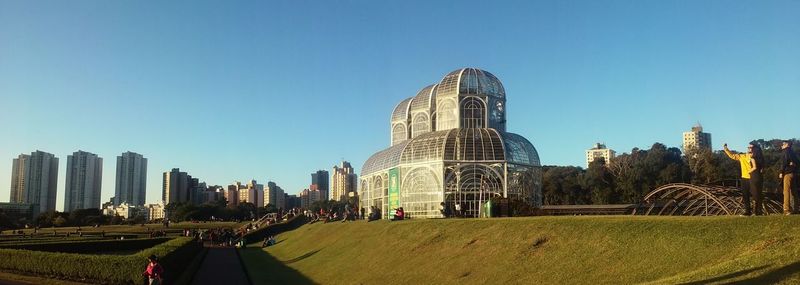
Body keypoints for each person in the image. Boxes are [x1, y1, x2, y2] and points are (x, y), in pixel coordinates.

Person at [723, 143, 762, 216]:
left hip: (753, 178)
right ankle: (748, 211)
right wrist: (726, 149)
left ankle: (757, 211)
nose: (749, 149)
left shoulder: (756, 157)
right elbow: (733, 156)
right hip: (744, 178)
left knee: (755, 195)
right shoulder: (742, 156)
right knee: (745, 195)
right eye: (748, 148)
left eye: (751, 148)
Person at [780, 140, 800, 215]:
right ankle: (796, 209)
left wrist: (781, 171)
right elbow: (798, 162)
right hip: (794, 173)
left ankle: (786, 209)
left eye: (783, 144)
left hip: (787, 173)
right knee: (794, 191)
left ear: (787, 145)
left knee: (786, 191)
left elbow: (784, 162)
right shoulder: (793, 152)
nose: (782, 145)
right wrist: (793, 164)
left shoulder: (785, 151)